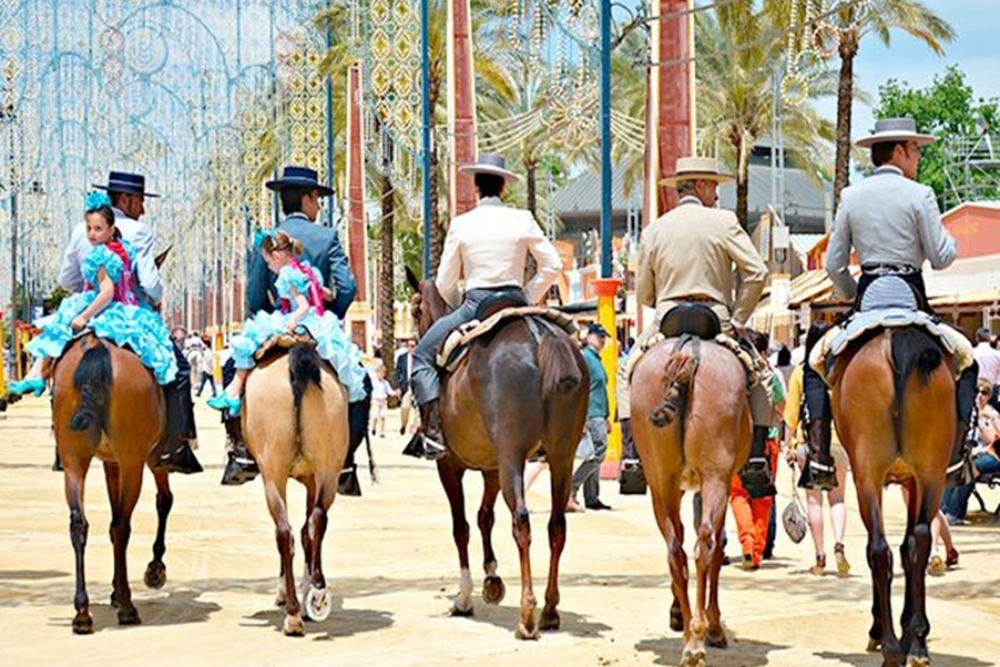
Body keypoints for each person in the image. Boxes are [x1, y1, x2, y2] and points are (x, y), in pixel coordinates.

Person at [823, 117, 978, 489]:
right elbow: (941, 257)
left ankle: (817, 454)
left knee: (818, 362)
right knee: (966, 359)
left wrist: (848, 290)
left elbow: (833, 263)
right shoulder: (920, 193)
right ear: (898, 151)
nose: (918, 158)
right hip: (910, 299)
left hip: (869, 297)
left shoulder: (850, 196)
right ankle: (955, 455)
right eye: (915, 150)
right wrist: (949, 242)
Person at [627, 156, 775, 498]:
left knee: (626, 372)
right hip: (715, 319)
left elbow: (645, 293)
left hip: (667, 321)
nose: (717, 194)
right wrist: (738, 318)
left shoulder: (655, 229)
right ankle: (754, 458)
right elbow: (757, 273)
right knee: (760, 377)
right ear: (700, 186)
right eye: (714, 186)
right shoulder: (724, 222)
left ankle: (633, 459)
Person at [409, 153, 562, 460]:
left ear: (476, 188)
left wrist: (456, 309)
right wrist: (529, 295)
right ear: (503, 187)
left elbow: (444, 281)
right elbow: (553, 264)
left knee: (423, 356)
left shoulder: (462, 224)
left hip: (476, 305)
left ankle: (434, 434)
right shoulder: (523, 218)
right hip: (516, 300)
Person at [51, 171, 200, 474]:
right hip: (129, 314)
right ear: (126, 199)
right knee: (179, 369)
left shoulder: (82, 230)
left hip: (88, 314)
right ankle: (175, 445)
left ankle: (62, 440)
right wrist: (148, 290)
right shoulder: (138, 231)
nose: (143, 209)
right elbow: (152, 285)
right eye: (140, 201)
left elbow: (66, 279)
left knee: (58, 361)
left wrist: (90, 293)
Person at [221, 165, 361, 484]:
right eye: (317, 199)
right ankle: (347, 461)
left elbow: (255, 295)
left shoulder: (269, 241)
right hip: (316, 325)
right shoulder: (327, 237)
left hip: (277, 322)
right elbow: (347, 287)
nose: (319, 206)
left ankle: (241, 451)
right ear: (309, 198)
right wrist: (329, 314)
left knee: (233, 370)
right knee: (357, 382)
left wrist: (269, 318)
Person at [10, 192, 177, 394]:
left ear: (111, 229)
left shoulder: (98, 255)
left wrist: (83, 315)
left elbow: (105, 292)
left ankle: (37, 374)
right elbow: (145, 282)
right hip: (131, 308)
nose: (91, 234)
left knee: (59, 328)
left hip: (101, 304)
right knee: (164, 355)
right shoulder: (127, 248)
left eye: (98, 229)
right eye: (89, 229)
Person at [208, 230, 366, 416]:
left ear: (276, 256)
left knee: (248, 340)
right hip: (320, 321)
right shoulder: (309, 271)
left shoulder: (286, 275)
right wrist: (319, 290)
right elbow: (328, 295)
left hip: (299, 318)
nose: (269, 268)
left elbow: (303, 305)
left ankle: (234, 392)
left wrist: (292, 319)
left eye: (268, 263)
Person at [784, 324, 851, 577]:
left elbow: (791, 416)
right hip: (839, 445)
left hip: (809, 445)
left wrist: (787, 445)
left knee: (815, 501)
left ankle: (820, 558)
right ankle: (839, 546)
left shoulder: (801, 374)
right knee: (839, 499)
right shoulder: (840, 374)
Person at [567, 323, 613, 512]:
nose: (603, 340)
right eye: (599, 336)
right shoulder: (585, 357)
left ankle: (592, 497)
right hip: (591, 413)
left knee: (595, 454)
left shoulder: (596, 359)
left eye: (604, 337)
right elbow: (579, 388)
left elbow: (600, 389)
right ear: (589, 336)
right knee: (598, 454)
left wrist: (607, 416)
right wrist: (581, 416)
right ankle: (571, 488)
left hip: (599, 413)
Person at [942, 378, 1000, 524]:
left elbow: (992, 438)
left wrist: (981, 420)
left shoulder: (991, 414)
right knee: (953, 467)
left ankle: (954, 513)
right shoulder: (967, 411)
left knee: (970, 469)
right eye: (977, 392)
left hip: (994, 454)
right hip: (973, 452)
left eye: (984, 393)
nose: (980, 395)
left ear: (989, 396)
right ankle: (943, 511)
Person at [394, 338, 417, 436]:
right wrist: (398, 387)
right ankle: (404, 425)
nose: (411, 348)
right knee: (405, 407)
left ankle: (415, 429)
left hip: (417, 386)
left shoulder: (420, 358)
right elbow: (398, 373)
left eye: (413, 346)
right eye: (409, 346)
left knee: (417, 410)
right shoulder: (402, 358)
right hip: (406, 386)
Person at [370, 365, 396, 438]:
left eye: (383, 373)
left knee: (382, 416)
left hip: (383, 400)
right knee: (375, 416)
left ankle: (382, 431)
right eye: (380, 373)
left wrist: (395, 393)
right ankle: (374, 427)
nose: (381, 375)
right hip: (375, 400)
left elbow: (389, 391)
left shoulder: (385, 383)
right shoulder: (373, 382)